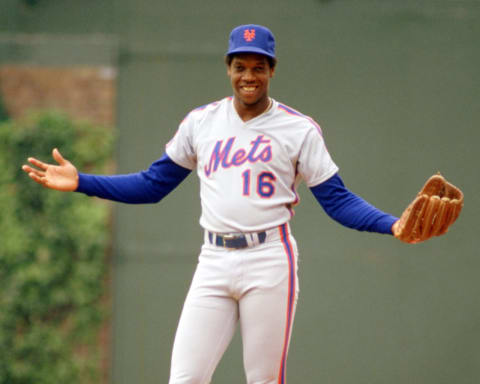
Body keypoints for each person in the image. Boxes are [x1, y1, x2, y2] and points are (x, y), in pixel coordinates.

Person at [23, 24, 404, 384]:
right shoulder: (201, 123)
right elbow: (153, 184)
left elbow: (337, 200)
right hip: (214, 259)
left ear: (272, 70)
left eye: (258, 67)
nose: (249, 76)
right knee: (185, 378)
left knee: (263, 380)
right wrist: (81, 182)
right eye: (240, 67)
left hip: (269, 258)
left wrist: (392, 224)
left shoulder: (298, 129)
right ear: (228, 68)